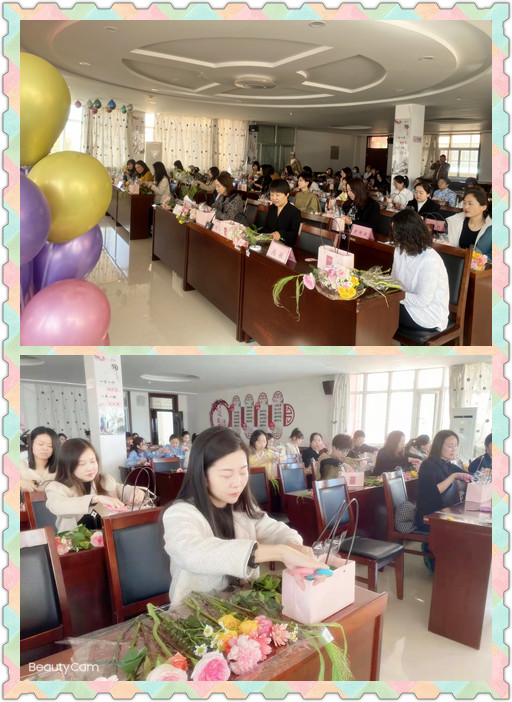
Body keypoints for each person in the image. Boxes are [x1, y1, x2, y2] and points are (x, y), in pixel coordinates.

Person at [162, 427, 321, 605]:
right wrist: (281, 552)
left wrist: (293, 546)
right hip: (196, 613)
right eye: (226, 474)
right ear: (203, 475)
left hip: (243, 606)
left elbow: (274, 530)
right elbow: (194, 553)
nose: (238, 482)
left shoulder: (241, 507)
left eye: (243, 471)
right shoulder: (180, 513)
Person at [45, 438, 146, 532]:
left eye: (92, 461)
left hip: (108, 538)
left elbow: (120, 489)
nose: (90, 468)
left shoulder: (103, 480)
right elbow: (57, 505)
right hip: (74, 542)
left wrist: (135, 492)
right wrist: (95, 499)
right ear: (68, 466)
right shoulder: (57, 487)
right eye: (82, 464)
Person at [391, 209, 449, 332]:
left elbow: (423, 301)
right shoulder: (399, 250)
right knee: (375, 305)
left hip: (426, 313)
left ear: (408, 234)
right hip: (404, 302)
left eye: (397, 233)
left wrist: (394, 296)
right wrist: (376, 281)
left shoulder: (430, 260)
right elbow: (394, 280)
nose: (394, 237)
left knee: (380, 309)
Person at [415, 430, 469, 529]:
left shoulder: (447, 464)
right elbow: (433, 492)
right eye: (450, 446)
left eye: (456, 445)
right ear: (439, 446)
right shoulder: (428, 465)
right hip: (429, 516)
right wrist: (453, 476)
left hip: (444, 512)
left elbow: (469, 475)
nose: (454, 449)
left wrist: (481, 474)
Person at [261, 179, 301, 248]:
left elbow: (295, 234)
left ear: (287, 194)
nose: (274, 198)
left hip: (284, 247)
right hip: (269, 244)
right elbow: (266, 227)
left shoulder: (294, 212)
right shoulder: (271, 208)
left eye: (278, 195)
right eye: (272, 195)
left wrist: (280, 234)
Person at [20, 426, 60, 492]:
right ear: (31, 444)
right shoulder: (19, 465)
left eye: (50, 446)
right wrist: (19, 482)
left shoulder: (61, 468)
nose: (45, 449)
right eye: (41, 444)